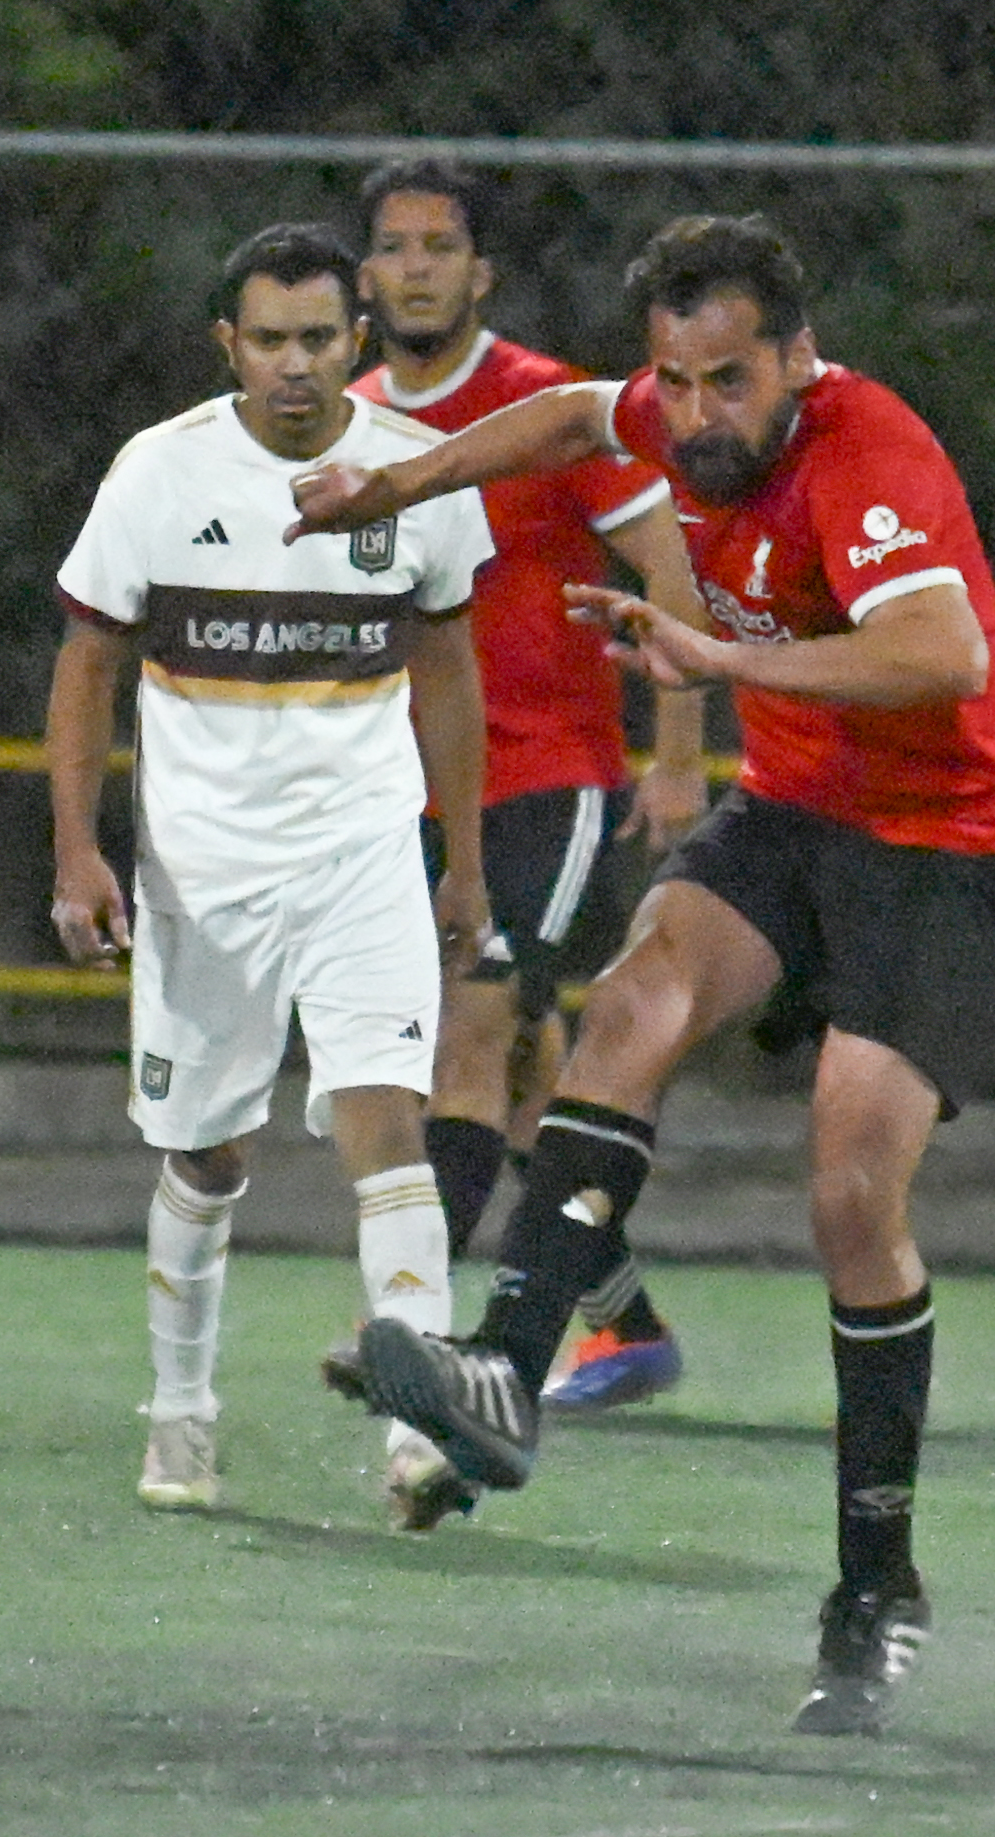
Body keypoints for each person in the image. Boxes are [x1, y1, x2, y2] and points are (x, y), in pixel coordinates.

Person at [290, 213, 995, 1736]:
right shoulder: (660, 411)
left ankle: (876, 1586)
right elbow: (576, 416)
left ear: (797, 358)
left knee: (851, 1198)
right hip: (797, 815)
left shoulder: (866, 448)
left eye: (728, 380)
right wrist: (396, 482)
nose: (695, 413)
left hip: (947, 845)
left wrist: (725, 664)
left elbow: (943, 654)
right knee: (632, 1003)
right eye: (678, 380)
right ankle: (508, 1374)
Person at [45, 222, 496, 1534]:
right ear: (227, 347)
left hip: (364, 851)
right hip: (203, 872)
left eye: (317, 339)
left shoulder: (417, 471)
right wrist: (77, 849)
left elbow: (448, 668)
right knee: (208, 1152)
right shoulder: (159, 473)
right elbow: (87, 662)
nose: (295, 365)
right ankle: (180, 1410)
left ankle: (418, 1435)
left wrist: (464, 859)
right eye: (269, 341)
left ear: (357, 341)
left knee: (388, 1123)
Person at [347, 159, 713, 1414]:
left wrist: (678, 753)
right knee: (525, 1077)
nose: (417, 268)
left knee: (471, 1030)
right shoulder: (349, 421)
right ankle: (626, 1326)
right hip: (404, 793)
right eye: (395, 246)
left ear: (480, 273)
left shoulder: (547, 407)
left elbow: (671, 568)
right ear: (365, 275)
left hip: (549, 778)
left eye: (440, 246)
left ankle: (408, 1329)